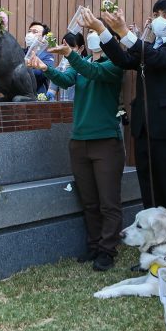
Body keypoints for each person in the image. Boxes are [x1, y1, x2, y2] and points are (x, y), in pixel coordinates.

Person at [90, 0, 166, 227]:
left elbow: (158, 59)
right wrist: (102, 30)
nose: (160, 20)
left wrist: (126, 33)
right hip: (144, 127)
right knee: (148, 187)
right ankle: (154, 242)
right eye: (157, 14)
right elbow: (122, 59)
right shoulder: (147, 46)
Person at [29, 28, 125, 271]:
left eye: (97, 33)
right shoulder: (80, 63)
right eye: (89, 31)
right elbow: (66, 79)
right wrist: (45, 68)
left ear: (109, 40)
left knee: (108, 202)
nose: (92, 36)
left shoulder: (115, 63)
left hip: (105, 141)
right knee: (89, 201)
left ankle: (107, 249)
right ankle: (94, 245)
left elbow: (91, 71)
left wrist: (71, 54)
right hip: (79, 140)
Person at [24, 21, 56, 96]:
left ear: (43, 37)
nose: (30, 34)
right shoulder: (19, 52)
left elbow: (41, 74)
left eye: (35, 32)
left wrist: (23, 69)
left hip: (37, 96)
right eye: (29, 32)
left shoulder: (48, 56)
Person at [55, 32, 85, 101]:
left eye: (71, 48)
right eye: (65, 47)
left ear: (81, 48)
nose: (67, 51)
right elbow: (51, 91)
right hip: (64, 109)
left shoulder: (87, 67)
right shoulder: (59, 68)